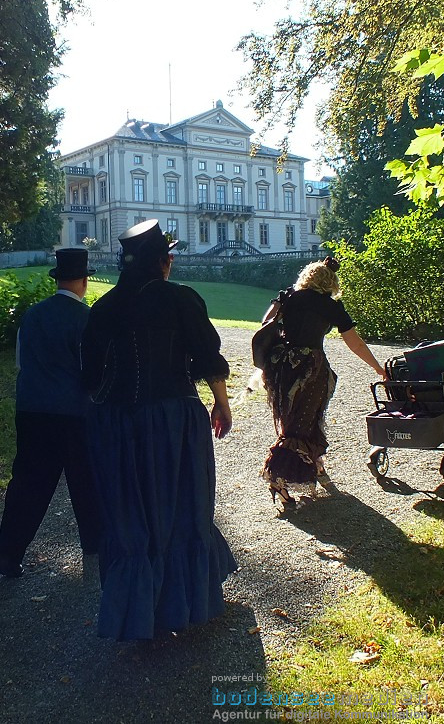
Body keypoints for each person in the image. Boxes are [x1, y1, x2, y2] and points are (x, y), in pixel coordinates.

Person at [80, 219, 236, 641]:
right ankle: (180, 605)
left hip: (116, 422)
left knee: (132, 512)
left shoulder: (105, 306)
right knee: (183, 501)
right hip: (172, 419)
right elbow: (208, 358)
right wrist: (222, 404)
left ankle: (136, 610)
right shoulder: (181, 299)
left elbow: (90, 376)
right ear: (164, 262)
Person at [0, 248, 103, 578]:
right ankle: (94, 546)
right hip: (74, 412)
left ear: (58, 280)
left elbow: (20, 362)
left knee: (29, 483)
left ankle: (9, 553)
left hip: (31, 408)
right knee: (86, 481)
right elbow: (92, 374)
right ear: (84, 282)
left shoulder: (32, 315)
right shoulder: (87, 320)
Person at [259, 257, 386, 507]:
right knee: (303, 422)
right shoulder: (330, 306)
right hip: (310, 369)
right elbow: (355, 343)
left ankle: (315, 466)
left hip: (282, 366)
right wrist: (378, 367)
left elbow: (265, 325)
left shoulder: (288, 297)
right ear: (331, 283)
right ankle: (278, 479)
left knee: (292, 419)